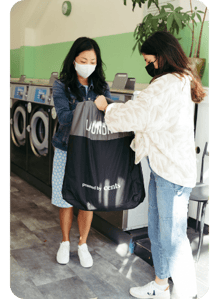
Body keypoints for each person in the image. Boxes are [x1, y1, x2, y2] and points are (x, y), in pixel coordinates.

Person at [95, 31, 206, 299]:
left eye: (148, 60)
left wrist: (106, 107)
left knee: (173, 239)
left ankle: (186, 293)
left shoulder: (167, 84)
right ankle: (160, 285)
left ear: (162, 57)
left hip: (171, 173)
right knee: (158, 231)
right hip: (165, 167)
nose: (147, 65)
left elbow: (136, 115)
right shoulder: (180, 79)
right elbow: (149, 112)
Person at [51, 37, 111, 267]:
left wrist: (112, 106)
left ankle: (83, 244)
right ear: (74, 59)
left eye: (92, 60)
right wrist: (89, 106)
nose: (88, 64)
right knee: (64, 198)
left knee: (87, 199)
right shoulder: (61, 85)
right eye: (83, 59)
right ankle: (65, 242)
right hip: (66, 148)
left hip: (91, 152)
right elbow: (64, 117)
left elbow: (110, 110)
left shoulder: (101, 87)